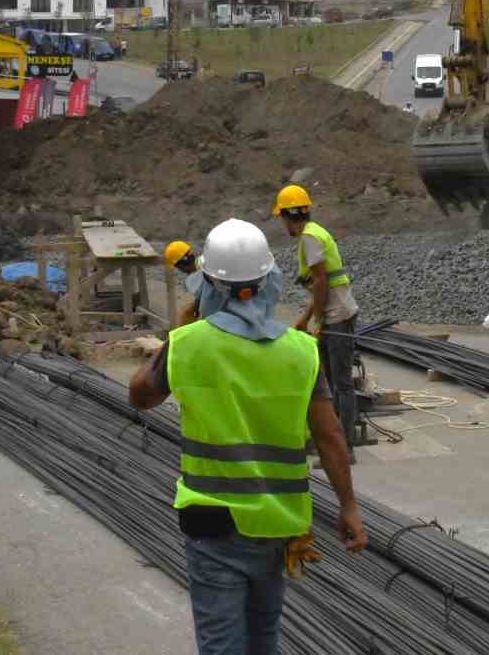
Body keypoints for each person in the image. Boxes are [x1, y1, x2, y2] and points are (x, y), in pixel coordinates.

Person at [129, 218, 366, 654]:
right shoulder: (301, 351)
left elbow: (139, 395)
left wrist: (178, 333)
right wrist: (348, 507)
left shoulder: (188, 344)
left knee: (223, 644)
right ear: (268, 281)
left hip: (212, 522)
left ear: (208, 286)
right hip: (277, 523)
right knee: (262, 640)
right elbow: (330, 436)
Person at [273, 184, 360, 458]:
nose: (282, 223)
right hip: (337, 313)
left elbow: (322, 280)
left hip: (337, 317)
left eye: (281, 217)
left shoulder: (309, 238)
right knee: (329, 379)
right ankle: (330, 438)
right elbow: (320, 283)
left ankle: (344, 447)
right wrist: (305, 318)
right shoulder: (315, 233)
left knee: (341, 382)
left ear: (287, 215)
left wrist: (319, 320)